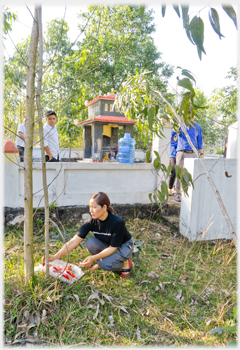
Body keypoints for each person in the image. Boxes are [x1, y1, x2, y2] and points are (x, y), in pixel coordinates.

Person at [42, 192, 134, 278]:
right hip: (109, 245)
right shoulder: (91, 222)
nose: (91, 210)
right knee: (90, 243)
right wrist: (56, 256)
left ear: (104, 207)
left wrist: (93, 258)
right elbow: (73, 241)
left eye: (94, 207)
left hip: (123, 247)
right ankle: (108, 260)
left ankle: (125, 262)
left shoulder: (117, 223)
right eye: (90, 207)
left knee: (104, 264)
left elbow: (112, 248)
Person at [174, 111, 204, 202]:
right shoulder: (180, 126)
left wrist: (201, 154)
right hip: (182, 152)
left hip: (194, 153)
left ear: (194, 116)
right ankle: (177, 194)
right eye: (188, 114)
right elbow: (174, 131)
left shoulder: (197, 127)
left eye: (191, 114)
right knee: (179, 174)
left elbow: (200, 142)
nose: (190, 116)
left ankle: (189, 194)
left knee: (192, 174)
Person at [168, 129, 178, 195]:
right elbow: (171, 142)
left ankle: (175, 188)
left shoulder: (182, 131)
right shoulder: (172, 132)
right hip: (173, 154)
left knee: (178, 172)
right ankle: (170, 188)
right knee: (173, 172)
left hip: (180, 154)